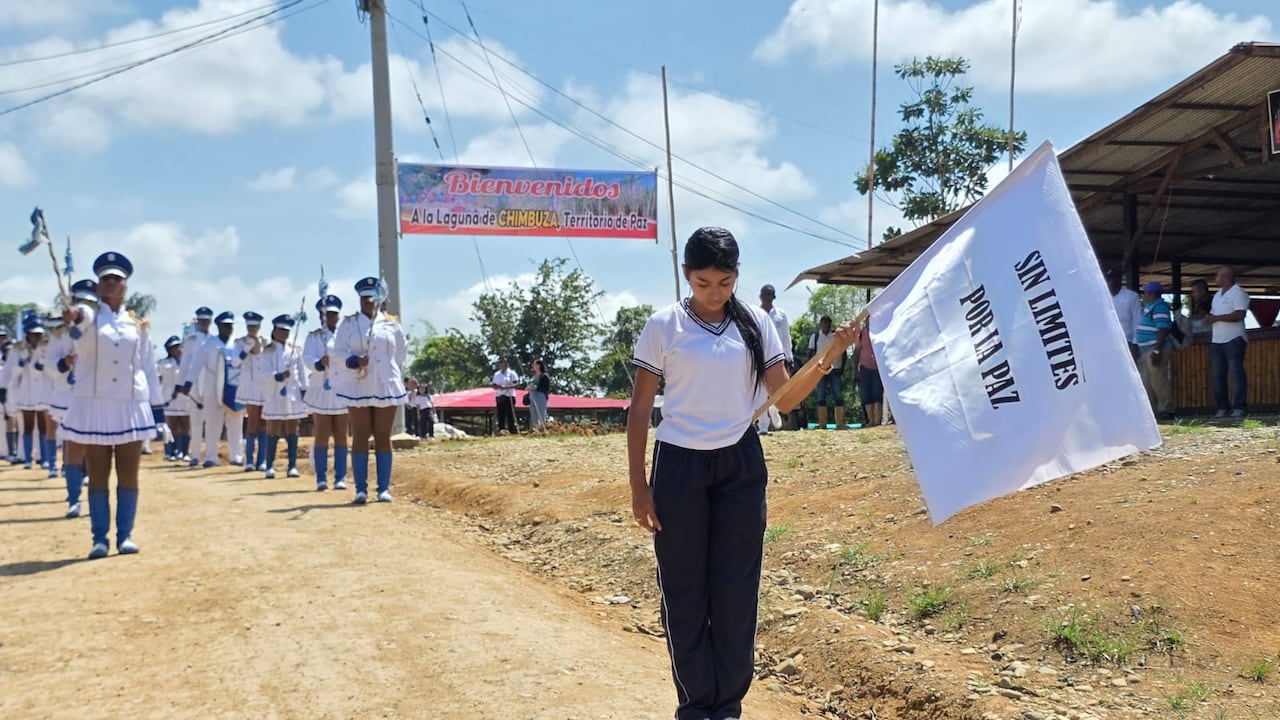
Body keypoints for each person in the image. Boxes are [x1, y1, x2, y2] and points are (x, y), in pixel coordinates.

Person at [628, 227, 859, 720]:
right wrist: (638, 487)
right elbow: (640, 408)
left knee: (736, 589)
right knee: (685, 590)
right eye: (703, 283)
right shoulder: (664, 325)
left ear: (737, 276)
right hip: (679, 467)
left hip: (740, 465)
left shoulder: (756, 323)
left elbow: (785, 399)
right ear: (686, 275)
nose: (714, 292)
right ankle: (696, 705)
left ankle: (728, 706)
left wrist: (830, 355)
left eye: (725, 282)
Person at [61, 251, 164, 559]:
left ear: (125, 286)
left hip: (130, 405)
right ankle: (99, 539)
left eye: (116, 279)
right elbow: (80, 321)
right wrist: (74, 315)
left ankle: (125, 535)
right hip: (96, 405)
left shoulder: (138, 324)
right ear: (97, 285)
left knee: (129, 474)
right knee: (98, 474)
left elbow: (148, 368)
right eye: (105, 279)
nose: (111, 283)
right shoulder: (90, 318)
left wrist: (158, 412)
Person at [334, 277, 407, 504]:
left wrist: (385, 368)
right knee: (361, 435)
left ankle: (383, 488)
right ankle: (361, 489)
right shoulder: (349, 324)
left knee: (383, 436)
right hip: (359, 383)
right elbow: (338, 351)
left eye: (372, 298)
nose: (368, 302)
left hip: (385, 383)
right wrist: (353, 361)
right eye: (364, 298)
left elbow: (401, 353)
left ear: (380, 299)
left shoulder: (392, 324)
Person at [303, 294, 349, 491]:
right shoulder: (314, 336)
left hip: (342, 388)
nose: (330, 317)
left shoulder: (345, 335)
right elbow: (307, 358)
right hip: (321, 388)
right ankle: (321, 477)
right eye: (326, 314)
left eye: (333, 314)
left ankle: (340, 477)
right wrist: (319, 363)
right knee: (321, 433)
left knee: (341, 434)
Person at [259, 313, 309, 479]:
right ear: (275, 330)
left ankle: (292, 465)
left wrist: (304, 390)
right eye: (281, 330)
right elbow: (263, 372)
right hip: (274, 393)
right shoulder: (267, 351)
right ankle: (269, 465)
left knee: (292, 427)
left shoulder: (295, 350)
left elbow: (301, 372)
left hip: (292, 393)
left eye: (286, 331)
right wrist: (277, 376)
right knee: (273, 426)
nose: (284, 334)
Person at [1206, 266, 1250, 418]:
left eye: (1217, 276)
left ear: (1225, 277)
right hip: (1216, 340)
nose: (1215, 279)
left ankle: (1239, 407)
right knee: (1217, 375)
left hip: (1234, 339)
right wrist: (1209, 318)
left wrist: (1215, 318)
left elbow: (1239, 315)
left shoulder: (1239, 293)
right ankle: (1222, 407)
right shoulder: (1217, 295)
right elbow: (1213, 314)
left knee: (1236, 374)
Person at [1135, 281, 1175, 420]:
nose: (1144, 295)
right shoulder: (1150, 306)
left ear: (1151, 293)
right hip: (1146, 349)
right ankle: (1152, 411)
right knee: (1147, 381)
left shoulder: (1160, 307)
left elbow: (1163, 329)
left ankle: (1166, 409)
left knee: (1158, 380)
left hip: (1155, 348)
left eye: (1146, 292)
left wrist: (1157, 350)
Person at [757, 284, 792, 434]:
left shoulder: (780, 315)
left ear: (774, 297)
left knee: (777, 389)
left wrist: (788, 356)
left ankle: (773, 408)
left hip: (776, 356)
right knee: (759, 391)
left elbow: (785, 337)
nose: (767, 297)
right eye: (764, 294)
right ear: (760, 296)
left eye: (769, 294)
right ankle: (763, 426)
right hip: (759, 356)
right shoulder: (755, 314)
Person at [235, 311, 267, 471]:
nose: (252, 329)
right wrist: (245, 350)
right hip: (250, 386)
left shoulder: (266, 342)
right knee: (252, 421)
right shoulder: (240, 342)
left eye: (255, 326)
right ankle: (249, 460)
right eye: (250, 327)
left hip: (264, 386)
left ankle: (262, 460)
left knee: (264, 423)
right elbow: (235, 362)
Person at [808, 315, 847, 429]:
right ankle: (822, 423)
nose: (826, 325)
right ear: (821, 324)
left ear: (830, 324)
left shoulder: (836, 336)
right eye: (824, 323)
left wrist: (842, 367)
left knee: (838, 395)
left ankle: (840, 423)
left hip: (835, 368)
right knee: (821, 395)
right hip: (820, 370)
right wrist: (812, 369)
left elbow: (844, 352)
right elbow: (810, 353)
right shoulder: (815, 337)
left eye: (828, 323)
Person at [157, 335, 187, 461]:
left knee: (184, 425)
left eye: (179, 346)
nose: (178, 349)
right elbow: (159, 380)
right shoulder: (164, 363)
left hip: (184, 399)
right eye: (174, 347)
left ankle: (183, 452)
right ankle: (169, 452)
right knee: (170, 426)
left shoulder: (186, 362)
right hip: (168, 398)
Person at [1106, 267, 1142, 358]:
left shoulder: (1131, 296)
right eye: (1108, 279)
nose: (1110, 282)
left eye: (1113, 279)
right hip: (1108, 342)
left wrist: (1135, 343)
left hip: (1127, 343)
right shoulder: (1104, 297)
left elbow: (1137, 321)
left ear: (1119, 280)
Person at [854, 317, 884, 426]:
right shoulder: (861, 334)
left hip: (878, 368)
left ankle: (877, 421)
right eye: (867, 320)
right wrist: (855, 370)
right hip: (864, 367)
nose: (869, 322)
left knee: (877, 394)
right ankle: (871, 421)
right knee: (867, 395)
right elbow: (857, 352)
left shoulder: (880, 332)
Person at [491, 358, 519, 435]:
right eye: (502, 363)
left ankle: (511, 431)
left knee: (510, 414)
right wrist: (499, 387)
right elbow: (494, 385)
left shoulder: (512, 373)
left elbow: (516, 384)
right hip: (500, 396)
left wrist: (508, 387)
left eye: (505, 363)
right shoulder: (497, 374)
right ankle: (501, 431)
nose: (504, 365)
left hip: (509, 396)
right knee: (501, 415)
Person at [528, 359, 550, 430]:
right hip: (532, 396)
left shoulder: (544, 376)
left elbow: (546, 387)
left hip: (540, 396)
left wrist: (536, 388)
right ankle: (535, 428)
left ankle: (542, 428)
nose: (533, 366)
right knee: (533, 414)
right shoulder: (534, 377)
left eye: (534, 364)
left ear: (539, 365)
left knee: (541, 413)